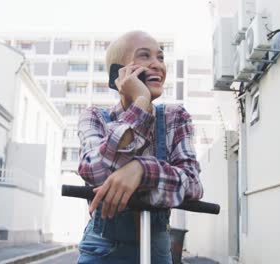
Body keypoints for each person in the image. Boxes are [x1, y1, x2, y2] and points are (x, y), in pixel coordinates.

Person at [76, 30, 203, 264]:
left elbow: (193, 184)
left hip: (157, 251)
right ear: (118, 74)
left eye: (161, 58)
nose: (157, 65)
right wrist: (141, 103)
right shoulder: (95, 117)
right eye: (145, 56)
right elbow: (95, 171)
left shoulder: (176, 117)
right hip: (101, 248)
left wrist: (143, 170)